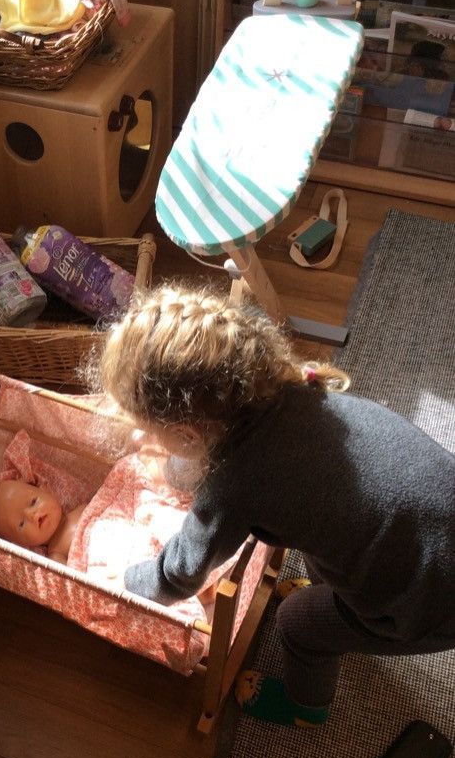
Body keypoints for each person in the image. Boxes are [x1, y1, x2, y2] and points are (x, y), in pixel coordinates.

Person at [92, 284, 455, 727]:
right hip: (432, 527)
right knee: (324, 527)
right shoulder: (293, 388)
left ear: (187, 433)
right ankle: (340, 600)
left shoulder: (234, 487)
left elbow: (179, 574)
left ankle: (306, 708)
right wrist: (172, 469)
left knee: (298, 624)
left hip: (428, 604)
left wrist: (127, 580)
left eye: (151, 431)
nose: (149, 441)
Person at [0, 479, 85, 564]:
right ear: (21, 543)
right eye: (21, 524)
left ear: (46, 490)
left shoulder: (85, 506)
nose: (31, 515)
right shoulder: (56, 555)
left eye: (33, 502)